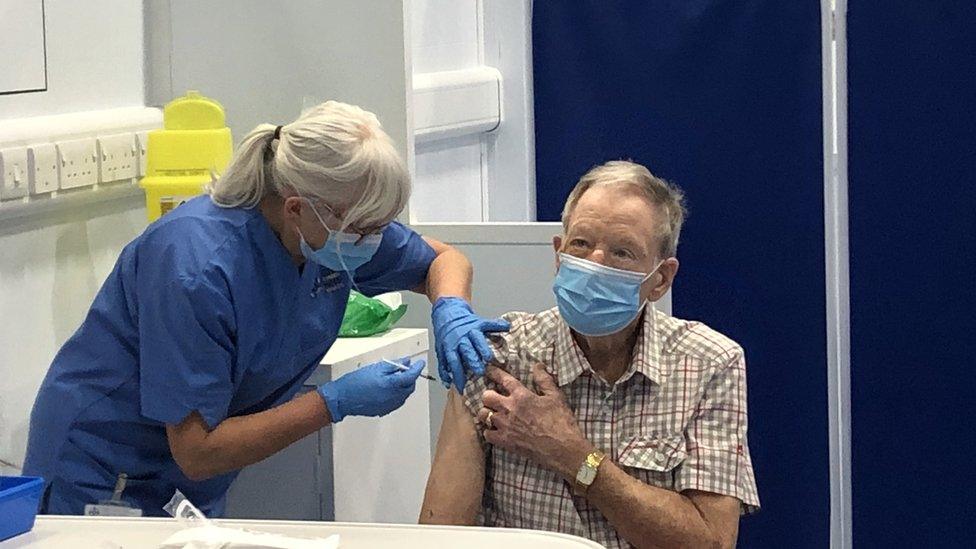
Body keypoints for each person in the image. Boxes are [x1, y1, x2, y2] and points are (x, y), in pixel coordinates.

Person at [23, 100, 509, 516]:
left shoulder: (332, 232)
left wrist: (451, 308)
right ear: (297, 207)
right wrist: (332, 403)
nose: (374, 241)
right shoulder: (197, 267)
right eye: (364, 228)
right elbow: (197, 450)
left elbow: (443, 259)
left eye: (381, 225)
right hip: (107, 469)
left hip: (190, 483)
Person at [419, 161, 759, 548]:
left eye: (622, 252)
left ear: (661, 278)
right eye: (581, 244)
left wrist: (573, 456)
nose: (595, 262)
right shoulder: (497, 354)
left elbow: (711, 543)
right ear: (558, 255)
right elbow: (440, 535)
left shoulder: (708, 364)